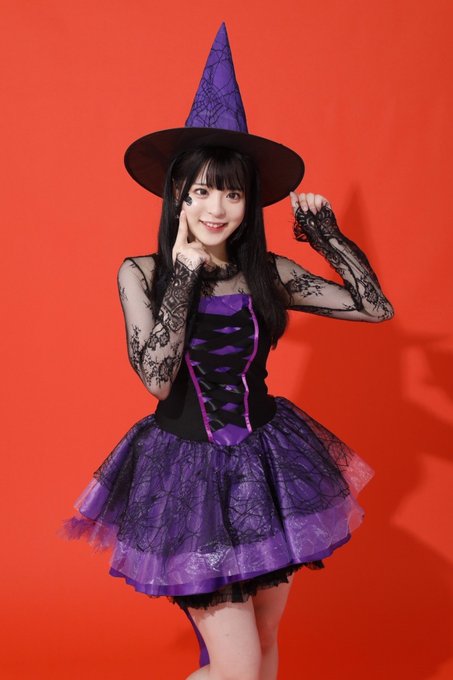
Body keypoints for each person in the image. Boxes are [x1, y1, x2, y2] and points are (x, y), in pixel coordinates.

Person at [61, 24, 394, 680]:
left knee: (264, 643)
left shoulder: (267, 271)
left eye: (233, 192)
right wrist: (184, 275)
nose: (217, 207)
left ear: (249, 202)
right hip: (185, 478)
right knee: (235, 667)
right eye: (203, 190)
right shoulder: (141, 273)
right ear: (177, 196)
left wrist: (325, 236)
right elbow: (156, 379)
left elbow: (373, 308)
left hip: (267, 468)